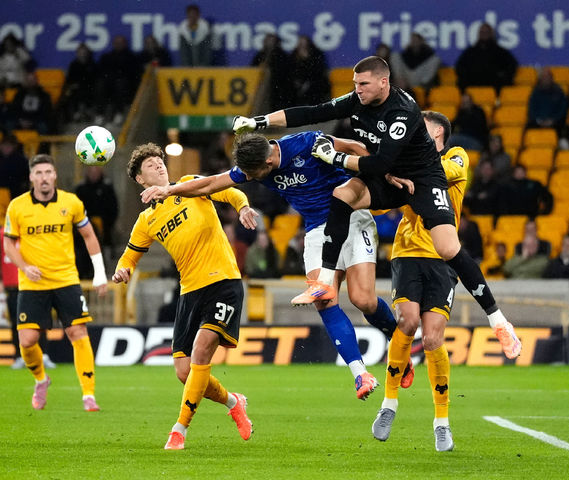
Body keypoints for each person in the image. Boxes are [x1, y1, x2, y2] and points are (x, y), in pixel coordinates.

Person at [232, 55, 521, 359]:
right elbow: (313, 112)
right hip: (389, 178)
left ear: (384, 82)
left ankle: (498, 321)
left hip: (422, 179)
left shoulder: (403, 111)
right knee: (342, 194)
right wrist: (259, 122)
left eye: (363, 84)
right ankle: (326, 280)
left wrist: (336, 158)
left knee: (448, 248)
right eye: (355, 84)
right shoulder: (359, 99)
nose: (357, 89)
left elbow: (380, 161)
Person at [143, 131, 406, 399]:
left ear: (268, 162)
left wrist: (384, 174)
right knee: (324, 299)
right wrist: (170, 190)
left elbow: (353, 145)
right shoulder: (253, 164)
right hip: (317, 229)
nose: (251, 179)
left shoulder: (306, 143)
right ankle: (360, 374)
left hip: (352, 217)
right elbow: (211, 184)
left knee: (363, 300)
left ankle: (399, 343)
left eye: (253, 174)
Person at [112, 142, 255, 450]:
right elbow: (130, 255)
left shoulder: (190, 185)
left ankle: (179, 429)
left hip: (223, 281)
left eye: (159, 161)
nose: (158, 165)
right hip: (189, 291)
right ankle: (234, 402)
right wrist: (123, 270)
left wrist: (242, 207)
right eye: (150, 165)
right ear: (140, 179)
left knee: (202, 349)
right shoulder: (146, 220)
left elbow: (230, 190)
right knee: (184, 372)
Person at [372, 110, 465, 451]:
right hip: (408, 252)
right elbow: (380, 204)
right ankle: (389, 404)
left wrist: (401, 165)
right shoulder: (409, 162)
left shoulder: (457, 157)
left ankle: (442, 422)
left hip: (443, 258)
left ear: (438, 132)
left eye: (421, 128)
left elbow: (446, 171)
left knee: (432, 339)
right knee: (407, 321)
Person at [3, 154, 108, 411]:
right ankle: (41, 380)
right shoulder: (17, 207)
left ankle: (88, 395)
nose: (44, 178)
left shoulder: (71, 202)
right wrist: (24, 267)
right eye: (38, 173)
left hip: (66, 279)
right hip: (33, 283)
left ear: (55, 175)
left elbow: (89, 235)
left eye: (48, 172)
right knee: (27, 341)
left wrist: (100, 273)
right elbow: (8, 244)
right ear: (31, 177)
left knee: (78, 333)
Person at [0, 226, 55, 370]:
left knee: (40, 320)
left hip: (34, 283)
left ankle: (43, 355)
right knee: (16, 323)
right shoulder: (2, 233)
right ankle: (19, 356)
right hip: (13, 286)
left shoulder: (34, 228)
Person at [455, 23, 517, 92]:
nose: (484, 34)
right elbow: (460, 66)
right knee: (461, 82)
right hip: (474, 80)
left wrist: (502, 75)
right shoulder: (470, 52)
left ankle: (498, 98)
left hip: (494, 80)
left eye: (486, 32)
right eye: (482, 32)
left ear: (491, 34)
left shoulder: (500, 52)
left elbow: (512, 65)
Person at [74, 166, 119, 259]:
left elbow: (113, 207)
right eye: (91, 172)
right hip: (85, 223)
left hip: (105, 225)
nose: (93, 174)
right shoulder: (81, 189)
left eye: (96, 172)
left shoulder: (107, 188)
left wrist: (109, 222)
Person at [96, 35, 140, 125]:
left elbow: (133, 74)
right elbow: (101, 72)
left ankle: (119, 112)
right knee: (100, 85)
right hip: (109, 83)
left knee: (120, 84)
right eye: (116, 43)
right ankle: (100, 114)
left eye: (120, 43)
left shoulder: (131, 57)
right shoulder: (107, 57)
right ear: (113, 44)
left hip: (126, 85)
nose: (118, 45)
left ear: (125, 44)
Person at [251, 33, 291, 111]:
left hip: (278, 87)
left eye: (272, 41)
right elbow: (253, 68)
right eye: (268, 40)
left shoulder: (281, 55)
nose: (270, 43)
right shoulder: (261, 54)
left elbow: (284, 71)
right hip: (261, 87)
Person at [59, 43, 98, 123]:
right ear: (77, 53)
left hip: (89, 88)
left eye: (84, 52)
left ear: (88, 53)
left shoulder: (92, 64)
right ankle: (74, 114)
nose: (82, 54)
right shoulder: (73, 65)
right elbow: (69, 79)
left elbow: (94, 78)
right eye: (80, 52)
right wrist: (72, 85)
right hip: (75, 89)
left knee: (85, 92)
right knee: (67, 94)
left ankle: (87, 111)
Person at [289, 35, 331, 106]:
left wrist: (306, 60)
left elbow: (317, 72)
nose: (302, 47)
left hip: (315, 85)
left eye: (304, 44)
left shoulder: (316, 54)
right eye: (300, 44)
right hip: (299, 86)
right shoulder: (293, 56)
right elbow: (292, 72)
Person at [527, 67, 568, 133]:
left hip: (555, 122)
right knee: (528, 127)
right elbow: (532, 109)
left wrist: (553, 120)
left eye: (547, 76)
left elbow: (562, 110)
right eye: (544, 77)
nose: (546, 79)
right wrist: (539, 121)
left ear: (551, 78)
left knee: (563, 128)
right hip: (538, 122)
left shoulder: (559, 92)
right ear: (540, 79)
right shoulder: (535, 93)